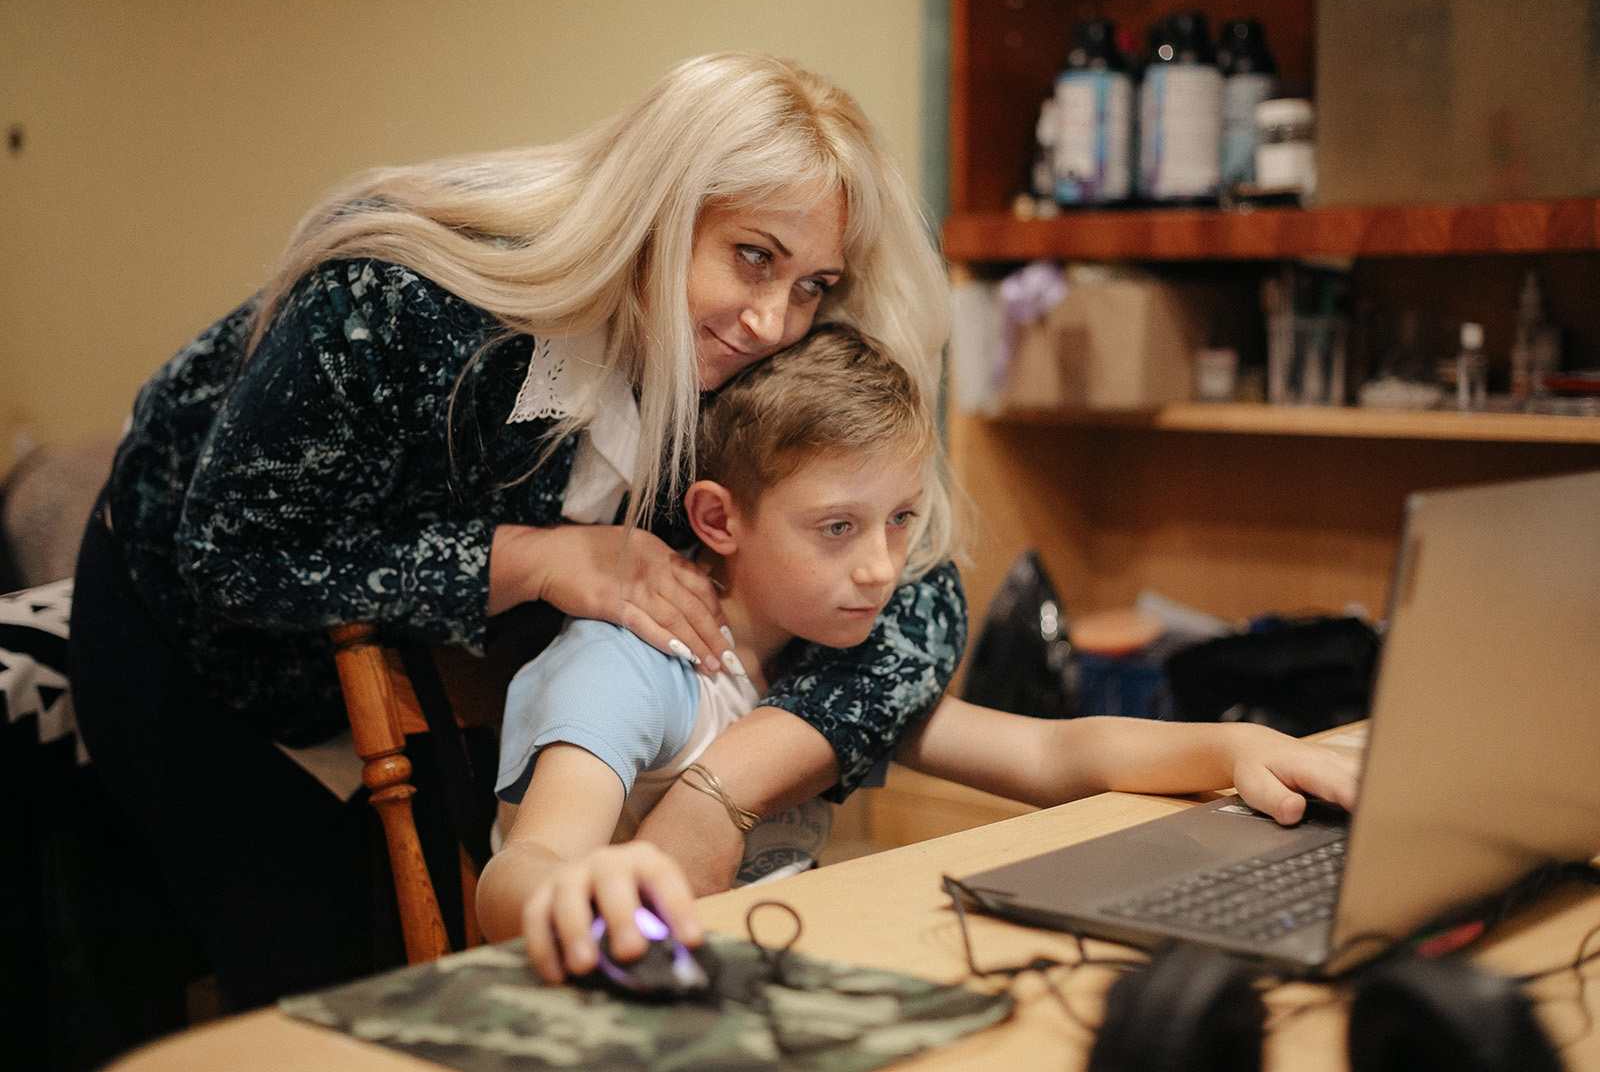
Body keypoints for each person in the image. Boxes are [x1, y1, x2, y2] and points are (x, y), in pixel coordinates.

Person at [66, 51, 962, 1032]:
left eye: (812, 284)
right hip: (198, 640)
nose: (774, 320)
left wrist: (720, 792)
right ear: (656, 213)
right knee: (324, 999)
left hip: (427, 669)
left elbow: (916, 599)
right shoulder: (402, 302)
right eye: (753, 256)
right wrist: (534, 559)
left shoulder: (743, 366)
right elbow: (237, 555)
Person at [472, 325, 1360, 984]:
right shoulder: (632, 667)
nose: (882, 566)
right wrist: (572, 890)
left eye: (902, 519)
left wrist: (1235, 749)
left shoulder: (823, 662)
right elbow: (524, 867)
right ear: (718, 520)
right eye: (836, 528)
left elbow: (1051, 752)